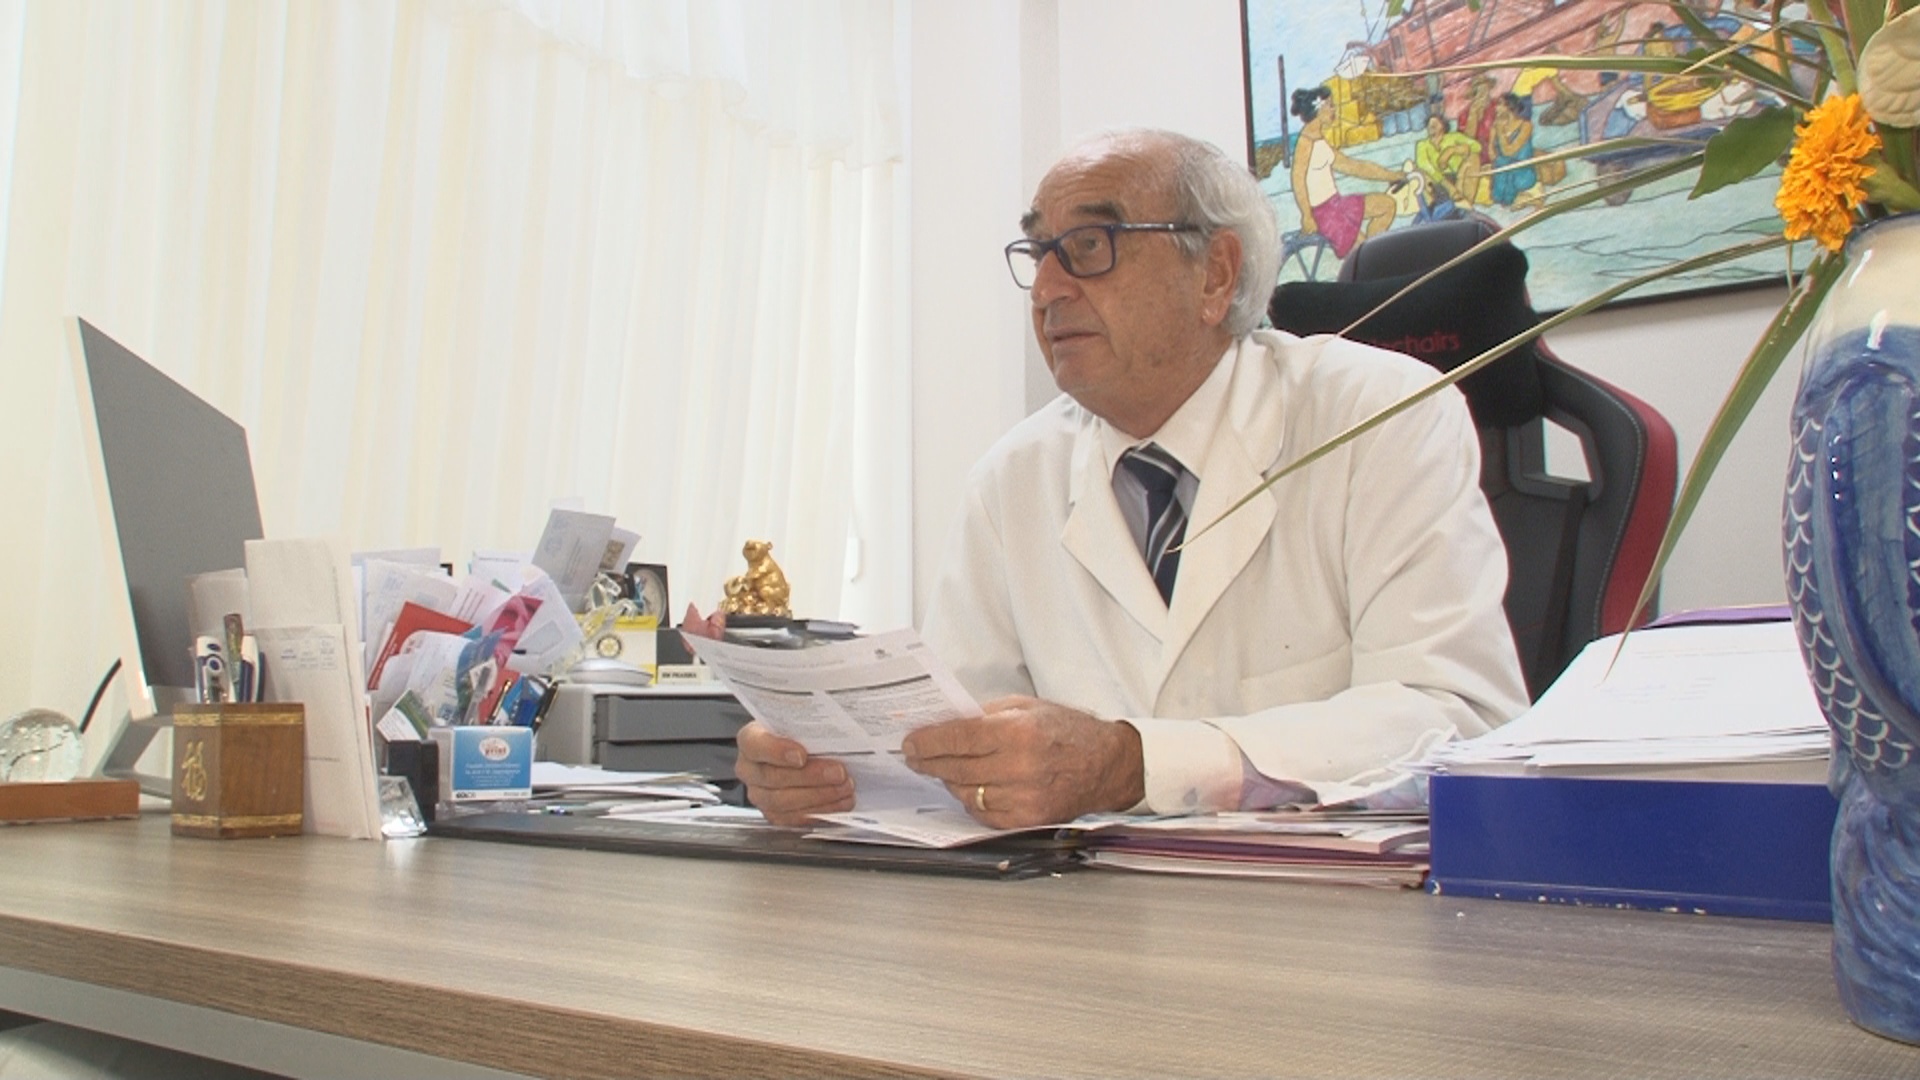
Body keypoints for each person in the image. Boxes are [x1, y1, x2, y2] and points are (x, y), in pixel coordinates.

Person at [731, 128, 1527, 828]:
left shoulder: (1379, 415)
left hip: (1331, 920)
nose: (1048, 291)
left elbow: (1455, 718)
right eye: (1038, 254)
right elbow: (957, 742)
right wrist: (831, 773)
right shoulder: (1013, 478)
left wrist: (1132, 763)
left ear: (1215, 274)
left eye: (1089, 246)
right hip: (1084, 917)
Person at [1288, 86, 1404, 258]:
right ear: (1319, 109)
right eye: (1330, 105)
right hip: (1323, 214)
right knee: (1365, 251)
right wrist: (1306, 215)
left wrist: (1391, 175)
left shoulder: (1319, 140)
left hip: (1337, 204)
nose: (1334, 109)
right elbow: (1298, 179)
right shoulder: (1305, 143)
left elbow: (1354, 166)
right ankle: (1370, 260)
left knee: (1387, 205)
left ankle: (1372, 256)